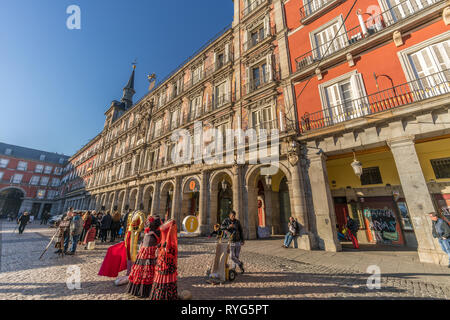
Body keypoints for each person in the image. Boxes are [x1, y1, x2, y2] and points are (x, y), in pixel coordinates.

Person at [127, 215, 162, 298]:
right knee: (147, 270)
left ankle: (141, 288)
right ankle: (147, 289)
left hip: (145, 252)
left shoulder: (148, 232)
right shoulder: (154, 232)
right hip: (149, 252)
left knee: (143, 270)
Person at [149, 219, 178, 300]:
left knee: (165, 269)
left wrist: (167, 247)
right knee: (161, 269)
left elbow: (171, 235)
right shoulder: (166, 222)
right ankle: (159, 293)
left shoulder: (172, 222)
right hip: (162, 247)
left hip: (166, 248)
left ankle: (166, 294)